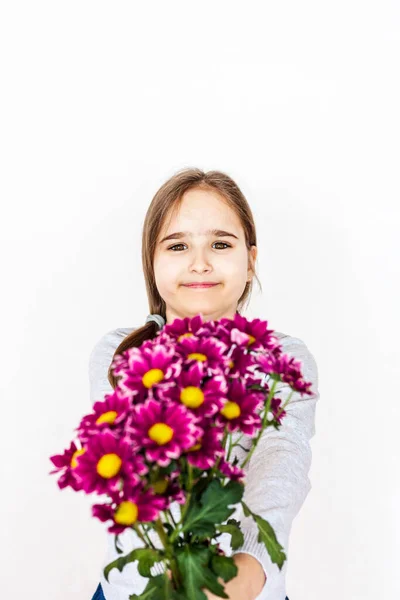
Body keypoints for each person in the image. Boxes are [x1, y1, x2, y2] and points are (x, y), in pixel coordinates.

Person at [88, 167, 319, 600]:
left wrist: (250, 566)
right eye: (177, 245)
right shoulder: (120, 355)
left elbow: (282, 459)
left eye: (220, 244)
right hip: (139, 589)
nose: (199, 262)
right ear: (151, 263)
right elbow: (131, 470)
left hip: (246, 587)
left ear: (250, 261)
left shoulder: (284, 358)